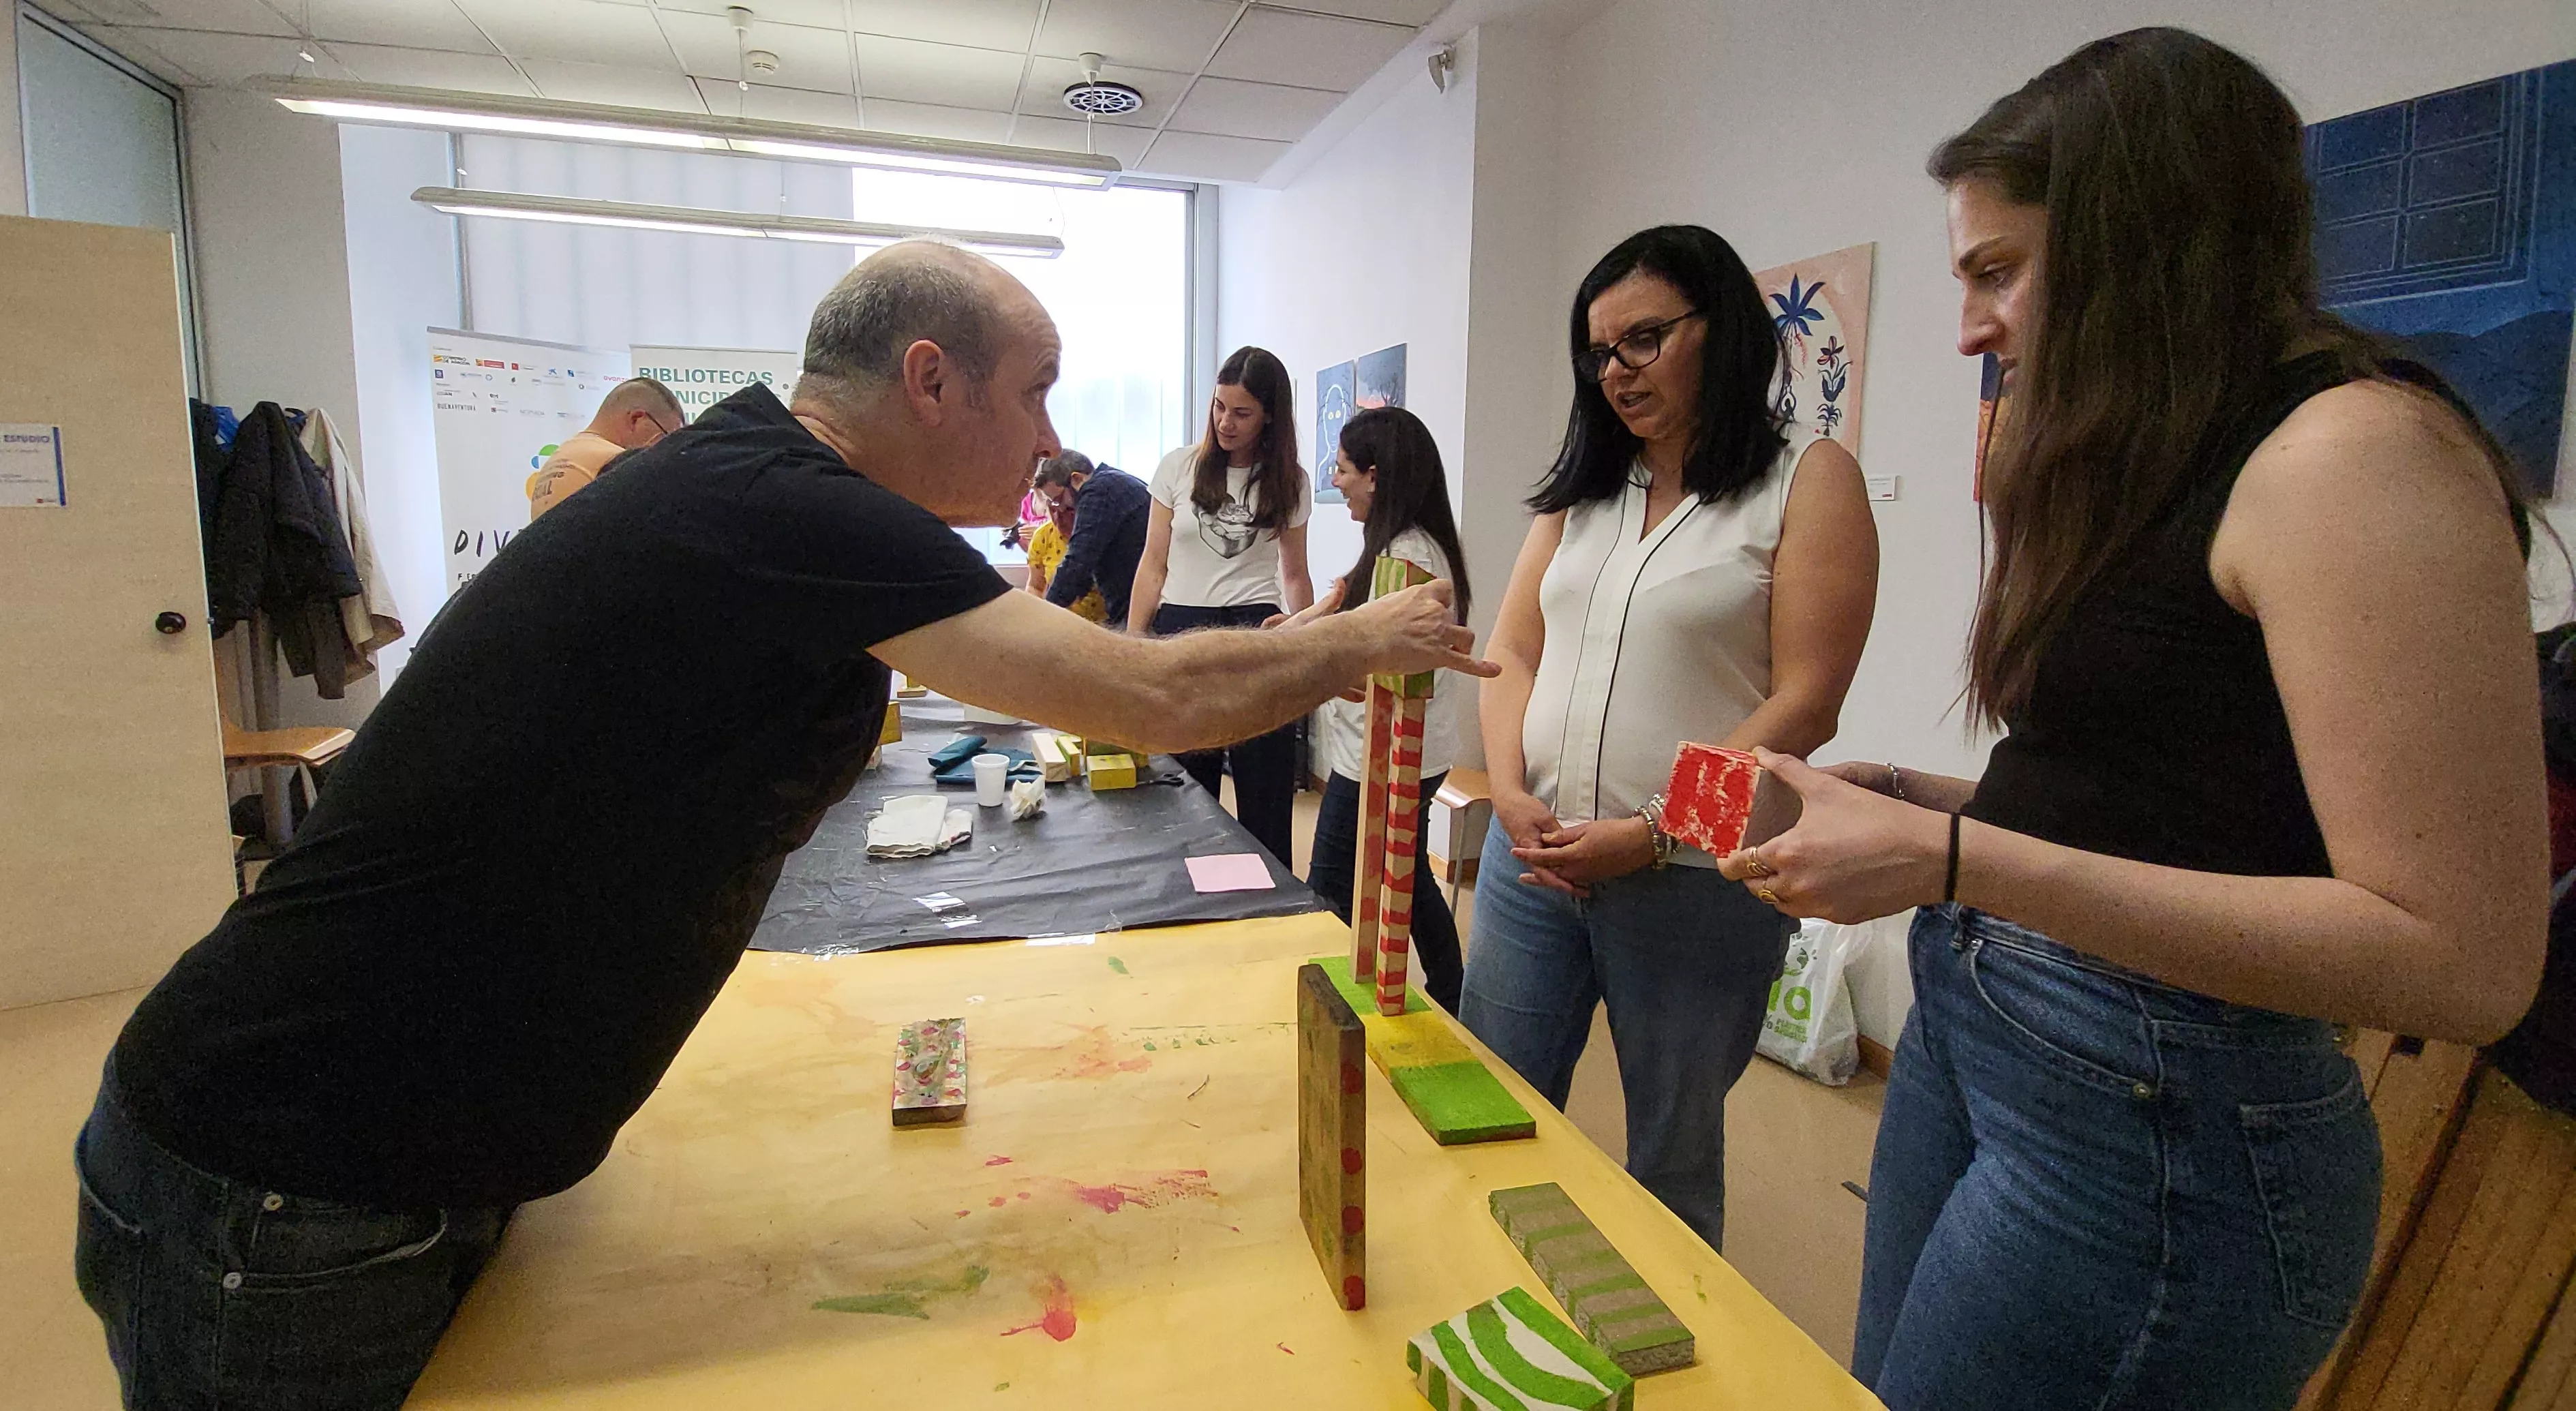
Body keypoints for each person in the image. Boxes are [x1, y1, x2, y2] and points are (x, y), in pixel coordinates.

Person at [74, 241, 1487, 1411]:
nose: (1053, 438)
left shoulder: (762, 488)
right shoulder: (793, 505)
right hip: (285, 1173)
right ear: (929, 381)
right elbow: (1146, 696)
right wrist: (1366, 635)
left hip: (380, 1144)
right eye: (1036, 392)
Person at [1712, 31, 2549, 1410]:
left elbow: (2457, 961)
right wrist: (1949, 809)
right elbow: (2181, 796)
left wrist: (1958, 861)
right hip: (1995, 1031)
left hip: (2160, 1124)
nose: (1969, 327)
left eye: (1994, 272)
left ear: (2136, 238)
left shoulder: (2355, 456)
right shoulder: (2160, 452)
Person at [1461, 224, 1879, 1254]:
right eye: (1599, 352)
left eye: (1643, 339)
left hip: (1694, 878)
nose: (1615, 371)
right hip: (1537, 859)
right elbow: (1511, 649)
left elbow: (1806, 700)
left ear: (1720, 325)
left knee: (1670, 1152)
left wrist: (1651, 832)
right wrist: (1508, 794)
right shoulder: (1582, 494)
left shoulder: (1804, 481)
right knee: (1483, 1103)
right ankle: (1477, 1284)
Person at [1304, 407, 1474, 1011]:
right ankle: (1456, 993)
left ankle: (1324, 1001)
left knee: (1332, 878)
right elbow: (1347, 613)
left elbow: (1391, 659)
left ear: (1374, 477)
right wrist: (1299, 631)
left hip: (1392, 751)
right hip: (1390, 748)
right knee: (1405, 871)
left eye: (1343, 470)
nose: (1337, 481)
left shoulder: (1409, 555)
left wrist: (1327, 668)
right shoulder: (1396, 546)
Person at [1126, 346, 1315, 865]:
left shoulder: (1290, 481)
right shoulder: (1178, 467)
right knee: (1185, 788)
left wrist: (1306, 641)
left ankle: (1272, 916)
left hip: (1256, 631)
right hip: (1181, 629)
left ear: (1270, 415)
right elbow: (1152, 563)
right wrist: (1135, 639)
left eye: (1241, 413)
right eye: (1218, 407)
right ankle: (1189, 909)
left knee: (1264, 791)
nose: (1225, 422)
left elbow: (1294, 574)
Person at [526, 376, 684, 518]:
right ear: (637, 419)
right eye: (665, 436)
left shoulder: (558, 459)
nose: (664, 448)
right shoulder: (618, 464)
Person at [1032, 449, 1151, 626]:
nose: (1061, 509)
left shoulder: (1098, 490)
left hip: (1135, 606)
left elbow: (1078, 560)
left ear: (1077, 479)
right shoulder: (1116, 481)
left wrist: (1043, 620)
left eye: (1058, 499)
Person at [1024, 453, 1107, 622]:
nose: (1058, 515)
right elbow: (1036, 586)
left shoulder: (1103, 529)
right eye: (1051, 506)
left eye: (1065, 506)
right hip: (1059, 627)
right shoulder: (1043, 537)